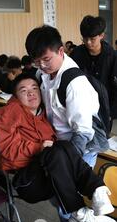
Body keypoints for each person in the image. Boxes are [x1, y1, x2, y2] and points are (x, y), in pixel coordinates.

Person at [0, 73, 117, 222]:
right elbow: (7, 150)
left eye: (34, 88)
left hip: (50, 175)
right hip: (28, 182)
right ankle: (80, 208)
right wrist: (38, 148)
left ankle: (96, 191)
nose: (31, 93)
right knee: (55, 150)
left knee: (62, 147)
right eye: (23, 91)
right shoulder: (12, 110)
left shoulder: (44, 113)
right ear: (16, 96)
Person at [25, 25, 108, 168]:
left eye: (46, 59)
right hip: (56, 141)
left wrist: (67, 160)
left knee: (74, 188)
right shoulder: (42, 73)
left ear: (61, 51)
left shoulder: (75, 84)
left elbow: (83, 132)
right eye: (37, 62)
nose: (42, 65)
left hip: (80, 147)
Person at [70, 15, 117, 130]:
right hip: (81, 107)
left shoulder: (112, 56)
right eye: (85, 39)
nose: (88, 43)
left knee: (102, 141)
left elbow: (115, 87)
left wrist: (111, 113)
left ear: (101, 36)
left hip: (104, 108)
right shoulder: (76, 54)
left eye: (92, 39)